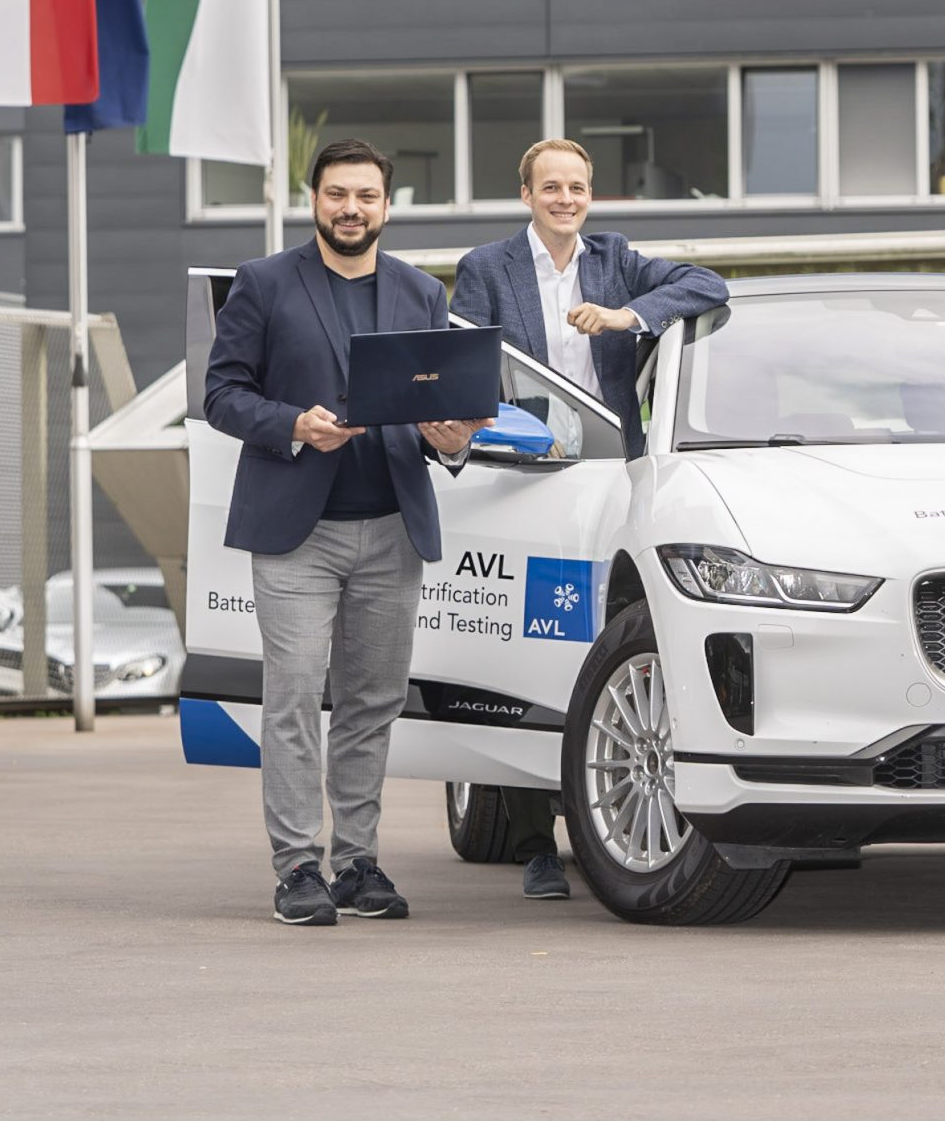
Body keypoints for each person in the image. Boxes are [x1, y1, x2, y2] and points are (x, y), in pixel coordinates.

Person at [203, 139, 489, 928]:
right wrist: (293, 423)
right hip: (298, 531)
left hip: (392, 524)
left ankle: (358, 860)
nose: (351, 208)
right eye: (337, 195)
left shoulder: (420, 292)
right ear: (315, 200)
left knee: (372, 700)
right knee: (294, 694)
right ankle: (297, 862)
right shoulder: (264, 284)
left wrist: (452, 436)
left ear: (387, 206)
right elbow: (221, 394)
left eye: (366, 195)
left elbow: (447, 406)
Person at [450, 136, 729, 899]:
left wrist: (627, 314)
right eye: (551, 187)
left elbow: (710, 285)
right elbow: (467, 365)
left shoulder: (616, 259)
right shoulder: (486, 269)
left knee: (594, 647)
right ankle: (539, 844)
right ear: (526, 193)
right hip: (523, 476)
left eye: (576, 186)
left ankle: (593, 818)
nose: (565, 199)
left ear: (589, 194)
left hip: (612, 479)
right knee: (525, 652)